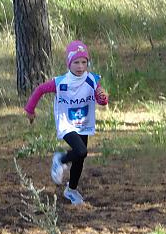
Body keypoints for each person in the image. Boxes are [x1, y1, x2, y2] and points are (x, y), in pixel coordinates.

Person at [24, 41, 109, 205]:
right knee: (81, 151)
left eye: (84, 62)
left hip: (83, 123)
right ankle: (60, 159)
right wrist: (30, 109)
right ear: (69, 63)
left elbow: (101, 100)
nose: (80, 66)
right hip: (67, 123)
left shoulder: (92, 79)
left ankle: (71, 190)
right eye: (76, 62)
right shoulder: (61, 83)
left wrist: (102, 96)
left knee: (80, 159)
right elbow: (40, 90)